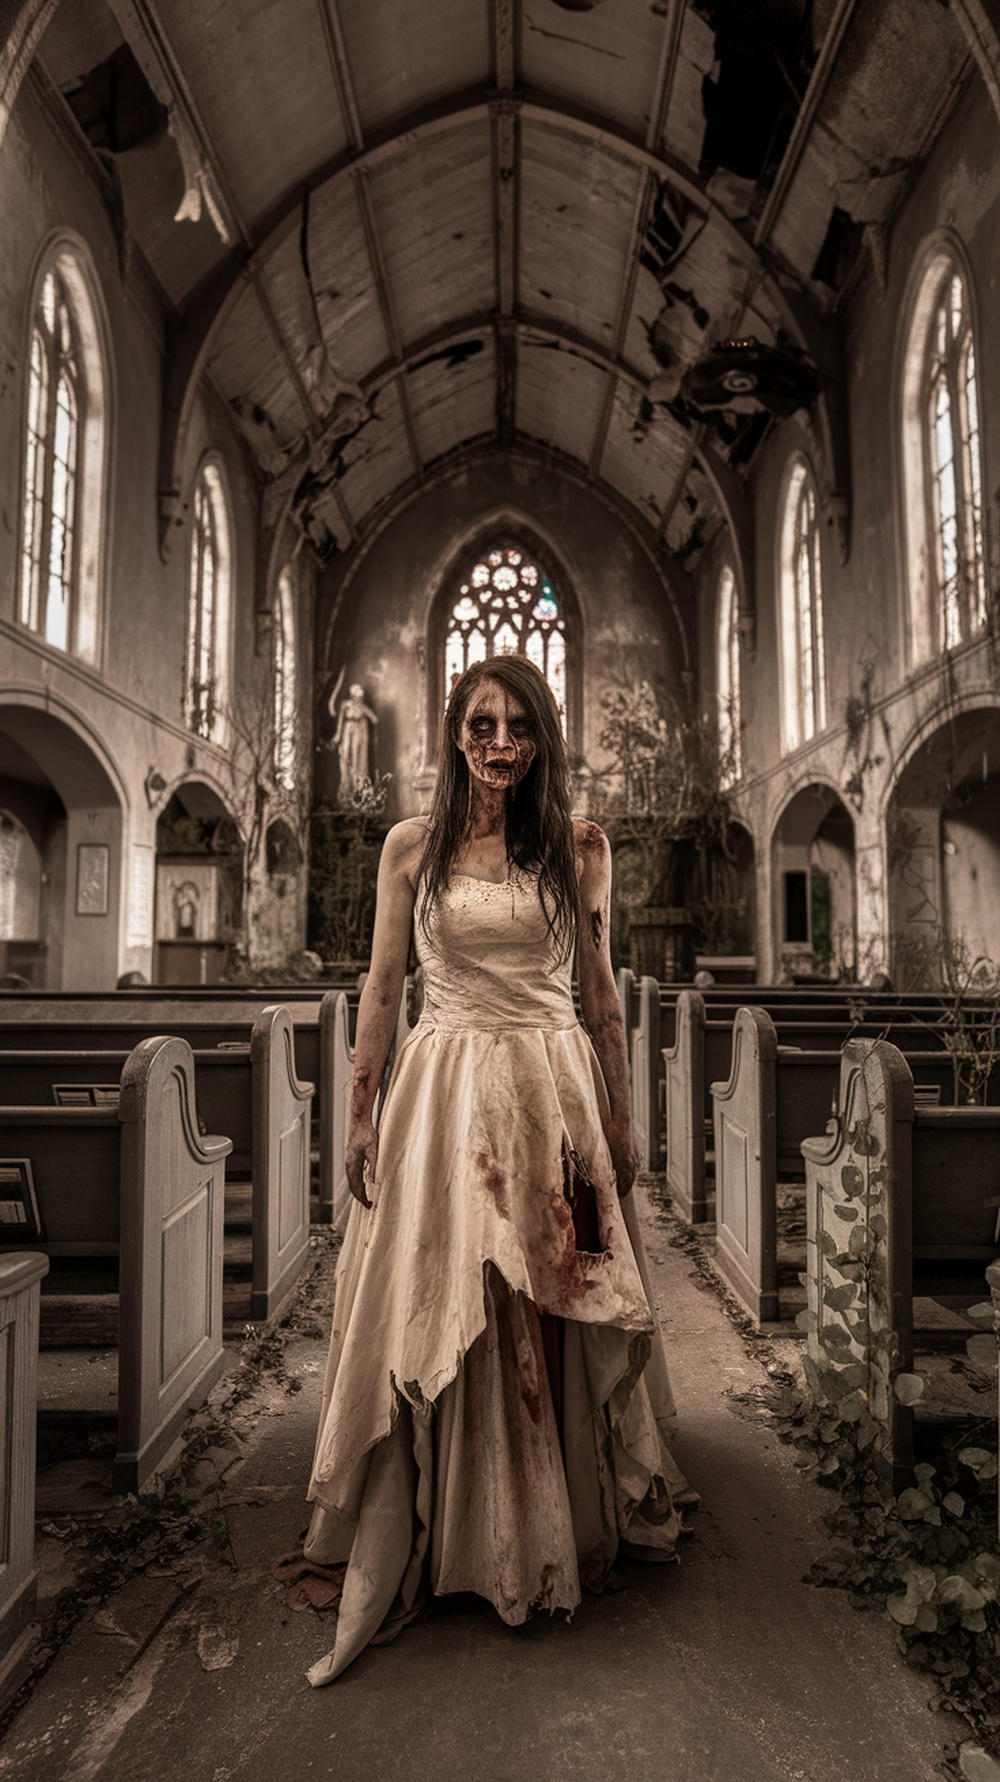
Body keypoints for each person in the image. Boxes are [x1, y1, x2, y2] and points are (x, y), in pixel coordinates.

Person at [301, 655, 695, 1686]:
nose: (502, 744)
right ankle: (448, 1527)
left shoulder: (580, 846)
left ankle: (558, 1508)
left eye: (520, 726)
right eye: (482, 725)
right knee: (447, 1284)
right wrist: (360, 1116)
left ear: (544, 738)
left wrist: (620, 1118)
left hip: (552, 1090)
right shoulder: (410, 847)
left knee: (558, 1284)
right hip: (443, 1095)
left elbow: (599, 994)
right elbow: (382, 986)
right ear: (455, 732)